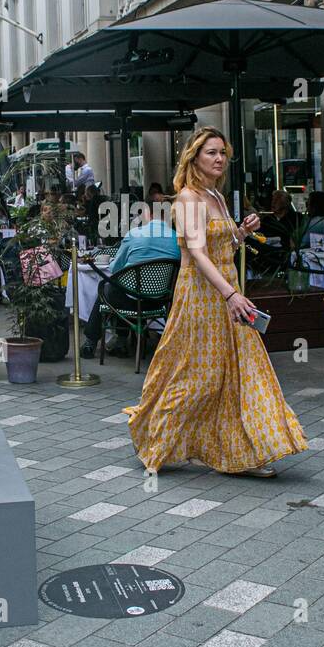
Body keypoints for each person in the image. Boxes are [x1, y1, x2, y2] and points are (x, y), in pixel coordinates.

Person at [123, 127, 307, 478]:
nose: (219, 158)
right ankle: (153, 437)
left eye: (222, 152)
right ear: (194, 157)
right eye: (211, 152)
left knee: (241, 372)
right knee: (199, 377)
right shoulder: (189, 198)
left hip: (228, 291)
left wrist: (241, 233)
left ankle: (241, 452)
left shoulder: (216, 196)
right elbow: (196, 252)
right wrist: (231, 294)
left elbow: (223, 248)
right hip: (203, 297)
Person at [80, 206, 180, 359]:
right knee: (121, 288)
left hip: (130, 299)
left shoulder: (134, 234)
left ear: (150, 214)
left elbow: (115, 267)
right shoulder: (177, 238)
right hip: (160, 302)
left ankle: (91, 342)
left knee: (106, 289)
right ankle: (120, 342)